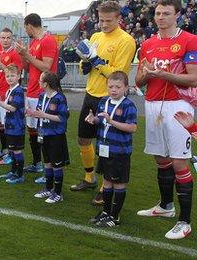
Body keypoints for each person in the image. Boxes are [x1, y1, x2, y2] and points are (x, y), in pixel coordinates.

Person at [134, 0, 197, 240]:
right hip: (152, 105)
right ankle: (166, 206)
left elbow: (193, 79)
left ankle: (185, 221)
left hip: (178, 106)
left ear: (177, 15)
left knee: (179, 163)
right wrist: (146, 74)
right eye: (158, 13)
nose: (161, 17)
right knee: (161, 159)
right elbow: (139, 81)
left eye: (166, 13)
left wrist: (163, 74)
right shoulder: (148, 43)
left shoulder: (190, 40)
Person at [71, 1, 137, 207]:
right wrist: (85, 62)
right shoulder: (96, 36)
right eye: (101, 20)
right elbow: (85, 65)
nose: (104, 24)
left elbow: (119, 74)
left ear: (119, 19)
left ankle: (104, 187)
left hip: (110, 98)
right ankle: (90, 178)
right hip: (91, 94)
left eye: (109, 20)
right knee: (83, 139)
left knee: (106, 145)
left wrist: (97, 60)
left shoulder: (126, 41)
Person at [86, 71, 137, 227]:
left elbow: (132, 128)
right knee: (107, 182)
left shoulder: (129, 105)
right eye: (110, 86)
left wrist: (111, 121)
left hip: (120, 152)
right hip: (104, 149)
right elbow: (101, 121)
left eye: (118, 87)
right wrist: (93, 119)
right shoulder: (104, 101)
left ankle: (115, 217)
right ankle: (106, 212)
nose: (113, 90)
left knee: (119, 184)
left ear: (125, 88)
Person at [16, 13, 59, 182]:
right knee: (33, 130)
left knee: (44, 132)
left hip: (44, 92)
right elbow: (28, 67)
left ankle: (46, 170)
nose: (25, 30)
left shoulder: (48, 40)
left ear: (29, 25)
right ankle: (37, 163)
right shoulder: (34, 42)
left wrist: (27, 55)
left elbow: (47, 67)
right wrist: (22, 54)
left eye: (25, 27)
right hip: (33, 91)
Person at [27, 72, 70, 204]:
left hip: (56, 136)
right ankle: (48, 188)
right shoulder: (41, 96)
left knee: (57, 165)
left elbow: (62, 118)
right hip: (43, 134)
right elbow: (41, 114)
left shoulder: (60, 98)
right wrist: (33, 113)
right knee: (47, 162)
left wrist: (43, 114)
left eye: (40, 80)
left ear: (46, 84)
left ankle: (57, 193)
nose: (38, 82)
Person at [0, 28, 23, 166]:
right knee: (0, 124)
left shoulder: (15, 54)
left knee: (8, 124)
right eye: (3, 38)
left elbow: (14, 72)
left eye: (8, 38)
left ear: (12, 39)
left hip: (9, 94)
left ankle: (11, 153)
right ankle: (4, 150)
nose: (5, 40)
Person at [0, 65, 26, 184]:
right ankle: (13, 171)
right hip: (10, 125)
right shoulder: (9, 90)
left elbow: (12, 108)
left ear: (18, 76)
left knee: (17, 151)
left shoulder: (18, 90)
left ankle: (19, 175)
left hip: (17, 126)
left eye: (13, 75)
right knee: (12, 150)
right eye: (7, 76)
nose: (10, 78)